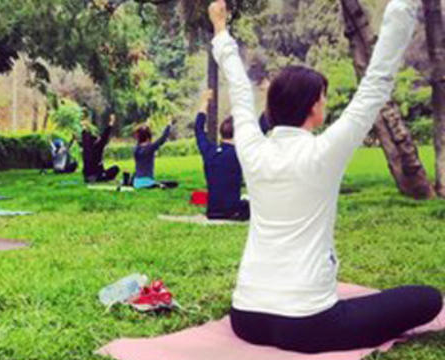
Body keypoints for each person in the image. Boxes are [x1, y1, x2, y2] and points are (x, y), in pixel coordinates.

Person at [208, 0, 442, 353]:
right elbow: (375, 84)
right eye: (323, 98)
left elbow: (240, 91)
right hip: (309, 325)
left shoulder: (252, 149)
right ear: (314, 109)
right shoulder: (323, 153)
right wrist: (404, 6)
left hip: (247, 318)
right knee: (427, 298)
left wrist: (220, 30)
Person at [195, 89, 248, 221]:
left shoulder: (209, 151)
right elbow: (262, 127)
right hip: (233, 212)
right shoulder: (239, 154)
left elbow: (198, 129)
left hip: (212, 212)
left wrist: (204, 102)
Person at [132, 120, 177, 189]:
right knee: (173, 183)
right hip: (148, 182)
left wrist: (145, 128)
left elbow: (139, 140)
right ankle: (158, 185)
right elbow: (163, 138)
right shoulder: (151, 147)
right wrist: (168, 125)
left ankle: (158, 185)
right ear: (148, 137)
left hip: (136, 183)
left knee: (163, 182)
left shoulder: (136, 149)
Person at [81, 114, 119, 183]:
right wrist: (111, 122)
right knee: (115, 168)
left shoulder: (86, 147)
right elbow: (105, 135)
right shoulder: (97, 148)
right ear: (96, 141)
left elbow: (84, 136)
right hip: (96, 177)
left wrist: (84, 126)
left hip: (86, 177)